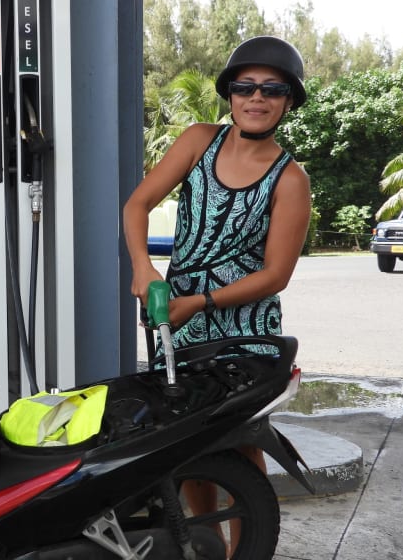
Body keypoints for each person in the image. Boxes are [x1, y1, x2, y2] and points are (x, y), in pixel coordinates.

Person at [123, 35, 312, 552]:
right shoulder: (198, 141)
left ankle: (243, 548)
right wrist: (144, 266)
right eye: (244, 86)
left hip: (243, 328)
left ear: (288, 101)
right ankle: (199, 544)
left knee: (239, 443)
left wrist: (202, 302)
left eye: (272, 89)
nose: (257, 97)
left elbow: (276, 275)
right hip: (174, 318)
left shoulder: (290, 179)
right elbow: (137, 205)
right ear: (229, 95)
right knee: (183, 446)